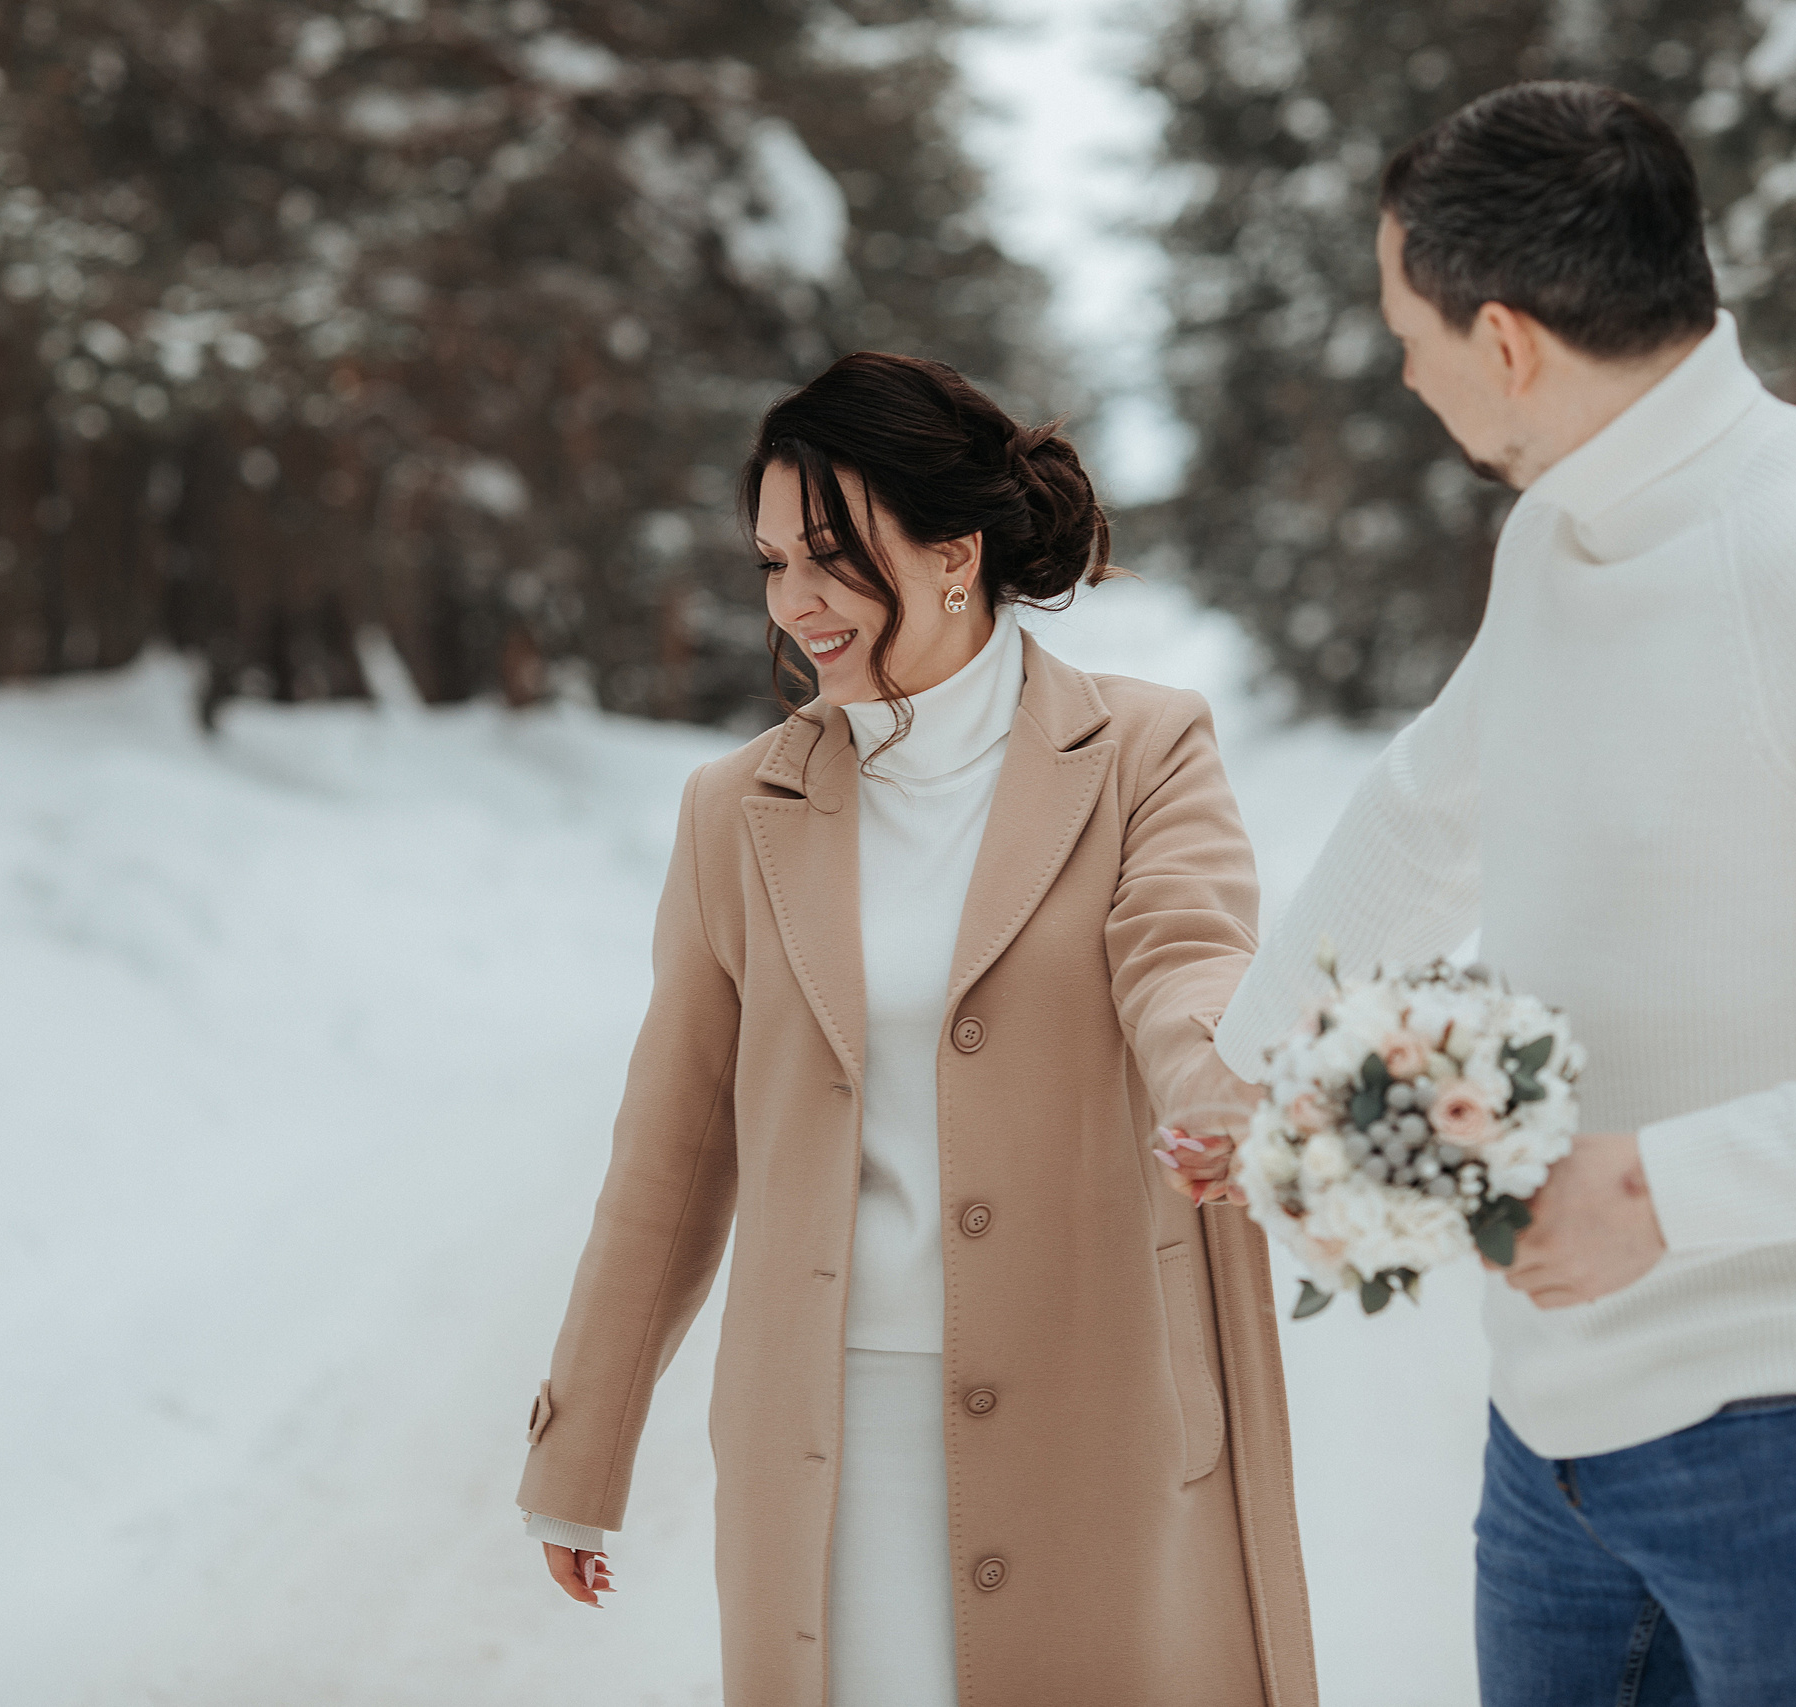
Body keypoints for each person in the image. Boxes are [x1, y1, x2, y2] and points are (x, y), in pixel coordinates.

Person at [1172, 82, 1796, 1705]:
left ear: (1510, 338)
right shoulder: (1561, 541)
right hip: (1555, 1430)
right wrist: (1242, 1066)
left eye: (1411, 331)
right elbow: (1425, 812)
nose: (1403, 371)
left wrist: (1669, 1192)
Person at [514, 351, 1316, 1707]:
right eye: (773, 563)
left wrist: (1212, 1082)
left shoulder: (1143, 752)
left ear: (957, 553)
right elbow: (670, 1150)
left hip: (1091, 1404)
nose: (797, 603)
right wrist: (579, 1453)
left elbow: (1184, 957)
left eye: (831, 554)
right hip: (832, 1429)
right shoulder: (738, 811)